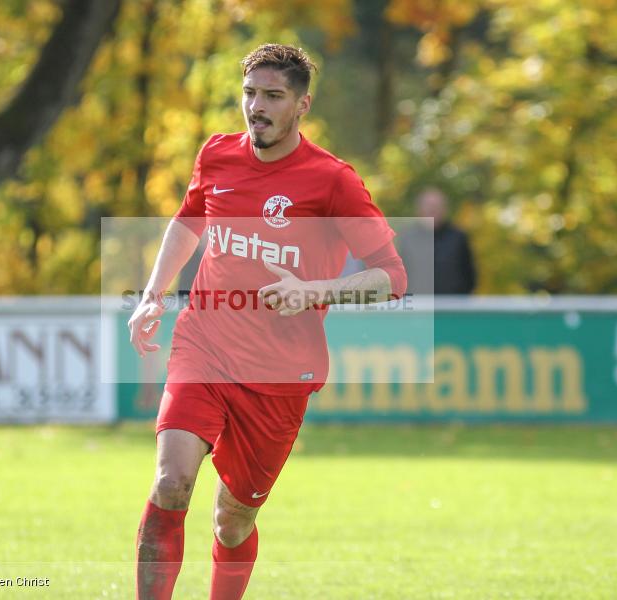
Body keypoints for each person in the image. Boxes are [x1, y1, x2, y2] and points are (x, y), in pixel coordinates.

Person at [127, 44, 407, 600]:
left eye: (273, 96)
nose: (257, 106)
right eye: (250, 93)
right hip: (204, 344)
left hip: (281, 375)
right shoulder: (217, 155)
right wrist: (153, 293)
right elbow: (188, 221)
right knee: (171, 482)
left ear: (302, 105)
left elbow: (391, 276)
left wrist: (314, 292)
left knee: (233, 521)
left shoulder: (333, 181)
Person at [399, 187, 476, 295]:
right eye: (428, 205)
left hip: (452, 306)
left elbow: (469, 275)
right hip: (418, 305)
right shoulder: (407, 238)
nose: (432, 210)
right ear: (419, 209)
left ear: (444, 209)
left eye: (436, 206)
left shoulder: (458, 237)